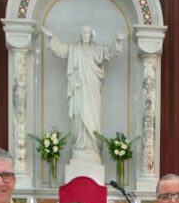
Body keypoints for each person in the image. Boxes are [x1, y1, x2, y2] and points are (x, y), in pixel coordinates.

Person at [42, 24, 125, 155]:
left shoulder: (96, 50)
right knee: (78, 117)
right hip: (78, 90)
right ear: (81, 35)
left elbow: (109, 53)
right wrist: (52, 37)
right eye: (84, 33)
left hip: (92, 90)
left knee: (93, 117)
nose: (86, 35)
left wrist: (117, 41)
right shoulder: (74, 49)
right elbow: (62, 50)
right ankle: (79, 144)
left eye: (88, 33)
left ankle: (92, 147)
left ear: (91, 35)